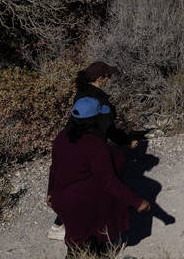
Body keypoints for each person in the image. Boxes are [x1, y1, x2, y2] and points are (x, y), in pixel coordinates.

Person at [48, 97, 149, 256]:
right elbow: (109, 182)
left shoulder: (61, 137)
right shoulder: (95, 146)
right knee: (79, 251)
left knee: (80, 244)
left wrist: (50, 192)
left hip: (61, 200)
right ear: (94, 120)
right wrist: (136, 202)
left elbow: (54, 168)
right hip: (82, 206)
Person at [49, 61, 137, 241]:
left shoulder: (80, 94)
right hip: (92, 148)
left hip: (72, 142)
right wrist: (126, 140)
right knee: (100, 186)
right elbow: (108, 128)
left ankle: (58, 225)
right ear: (100, 78)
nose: (109, 79)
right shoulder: (99, 100)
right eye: (108, 76)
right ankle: (101, 229)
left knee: (73, 185)